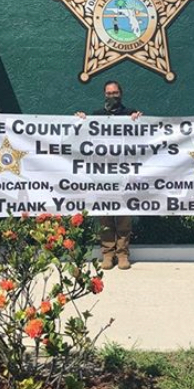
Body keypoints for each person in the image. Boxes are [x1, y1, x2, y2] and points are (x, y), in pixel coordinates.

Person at [76, 80, 142, 270]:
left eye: (115, 93)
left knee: (123, 217)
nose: (112, 96)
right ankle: (108, 254)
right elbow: (83, 135)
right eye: (108, 93)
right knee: (104, 216)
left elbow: (141, 136)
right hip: (102, 175)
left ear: (121, 93)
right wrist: (81, 120)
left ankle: (122, 254)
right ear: (104, 94)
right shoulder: (96, 116)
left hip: (124, 174)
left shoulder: (131, 114)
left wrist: (139, 120)